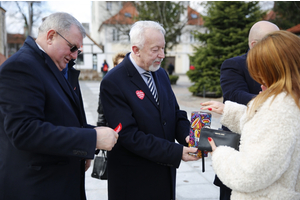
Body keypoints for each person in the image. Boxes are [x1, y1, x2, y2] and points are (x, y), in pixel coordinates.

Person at [0, 12, 118, 200]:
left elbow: (60, 119)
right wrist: (91, 138)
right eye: (72, 48)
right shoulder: (21, 67)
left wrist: (94, 132)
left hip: (61, 185)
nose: (74, 56)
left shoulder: (59, 67)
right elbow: (25, 131)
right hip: (38, 188)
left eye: (78, 51)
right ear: (51, 36)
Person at [100, 20, 199, 200]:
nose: (162, 55)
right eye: (155, 49)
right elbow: (129, 136)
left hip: (164, 176)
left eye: (163, 48)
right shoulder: (113, 81)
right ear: (136, 49)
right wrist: (175, 152)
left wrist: (187, 136)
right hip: (135, 181)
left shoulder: (160, 73)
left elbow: (175, 113)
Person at [201, 30, 300, 199]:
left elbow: (250, 173)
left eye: (260, 71)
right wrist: (230, 112)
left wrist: (219, 153)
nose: (259, 80)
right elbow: (267, 127)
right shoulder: (291, 99)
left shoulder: (279, 107)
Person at [216, 20, 279, 199]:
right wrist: (277, 101)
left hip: (272, 151)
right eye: (273, 40)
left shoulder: (282, 67)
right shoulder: (234, 65)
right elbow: (234, 95)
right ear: (254, 44)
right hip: (240, 150)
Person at [97, 52, 126, 126]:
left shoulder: (134, 85)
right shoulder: (108, 85)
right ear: (115, 66)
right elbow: (101, 112)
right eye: (120, 65)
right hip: (113, 129)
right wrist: (101, 128)